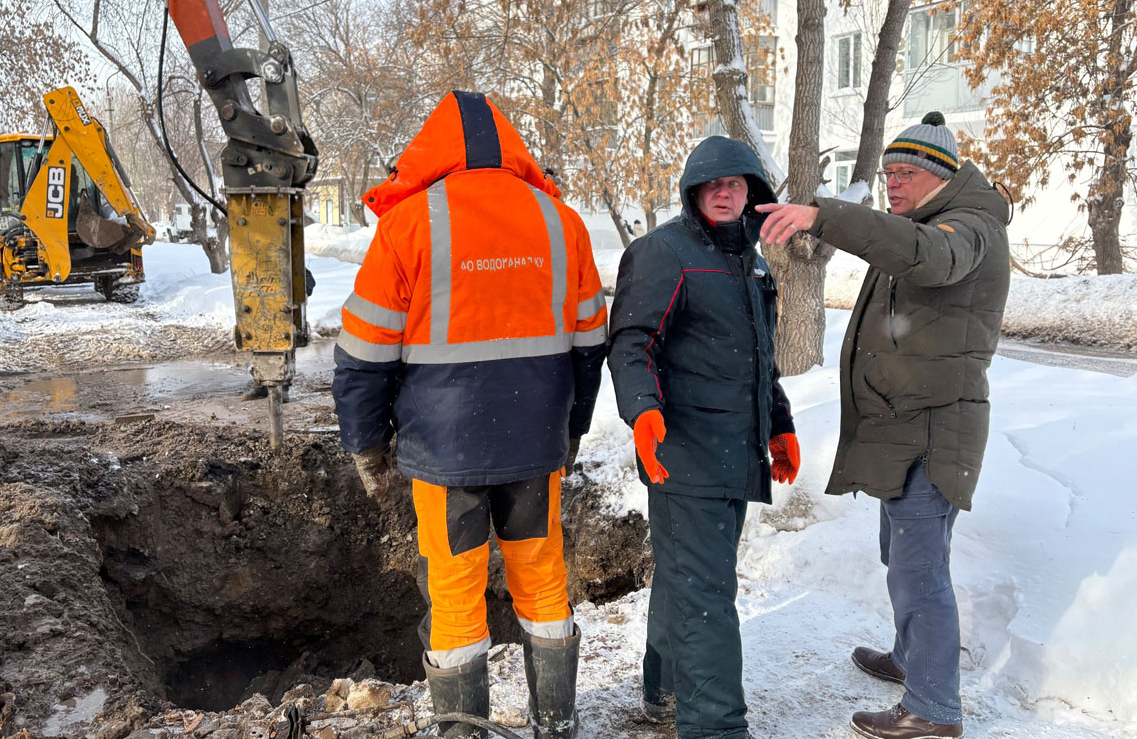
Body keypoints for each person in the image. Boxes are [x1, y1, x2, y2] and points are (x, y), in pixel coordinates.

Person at [332, 91, 607, 739]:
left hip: (446, 455)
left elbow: (363, 356)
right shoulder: (560, 221)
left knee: (456, 595)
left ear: (433, 151)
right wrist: (571, 429)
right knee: (542, 580)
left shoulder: (410, 224)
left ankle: (464, 732)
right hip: (534, 446)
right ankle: (557, 725)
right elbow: (590, 343)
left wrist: (367, 447)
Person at [757, 111, 1009, 739]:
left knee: (920, 570)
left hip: (933, 429)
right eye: (887, 172)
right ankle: (911, 658)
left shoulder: (966, 227)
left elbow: (929, 259)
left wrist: (825, 216)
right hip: (904, 424)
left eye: (904, 173)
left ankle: (933, 709)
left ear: (940, 175)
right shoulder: (921, 222)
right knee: (901, 555)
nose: (891, 183)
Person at [608, 134, 798, 739]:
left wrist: (779, 423)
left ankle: (666, 690)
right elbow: (632, 343)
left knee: (687, 579)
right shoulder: (663, 252)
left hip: (735, 449)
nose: (724, 193)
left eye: (735, 184)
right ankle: (714, 726)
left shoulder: (751, 260)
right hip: (684, 451)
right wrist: (643, 411)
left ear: (751, 193)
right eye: (713, 185)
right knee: (707, 594)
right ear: (693, 193)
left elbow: (760, 358)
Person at [241, 267, 316, 401]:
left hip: (284, 313)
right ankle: (260, 385)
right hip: (261, 313)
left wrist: (304, 290)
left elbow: (307, 278)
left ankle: (283, 388)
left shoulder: (289, 263)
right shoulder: (254, 266)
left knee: (285, 351)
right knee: (259, 348)